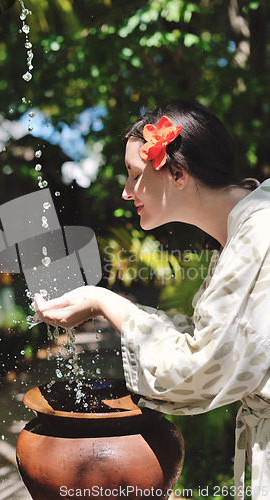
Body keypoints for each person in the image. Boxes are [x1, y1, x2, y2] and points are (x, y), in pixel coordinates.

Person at [33, 100, 270, 500]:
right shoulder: (242, 231)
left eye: (135, 175)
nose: (126, 192)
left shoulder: (258, 232)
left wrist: (103, 301)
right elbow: (210, 343)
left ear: (177, 172)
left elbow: (197, 368)